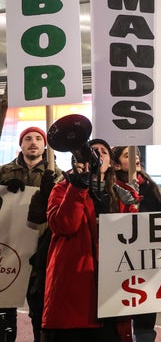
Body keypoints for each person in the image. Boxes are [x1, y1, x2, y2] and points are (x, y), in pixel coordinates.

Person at [42, 136, 134, 342]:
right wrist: (77, 187)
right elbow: (65, 225)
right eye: (93, 151)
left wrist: (136, 204)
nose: (98, 154)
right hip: (74, 290)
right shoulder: (63, 188)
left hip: (111, 291)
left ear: (111, 162)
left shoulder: (123, 194)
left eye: (103, 151)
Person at [0, 126, 64, 342]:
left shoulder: (57, 174)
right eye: (27, 138)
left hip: (41, 248)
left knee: (39, 310)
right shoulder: (4, 171)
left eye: (38, 138)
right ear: (21, 144)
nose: (33, 142)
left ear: (45, 145)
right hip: (9, 246)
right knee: (5, 308)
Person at [110, 146, 161, 342]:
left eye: (136, 154)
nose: (136, 157)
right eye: (128, 155)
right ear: (116, 164)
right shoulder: (110, 188)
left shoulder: (149, 186)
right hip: (120, 262)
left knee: (145, 321)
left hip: (147, 262)